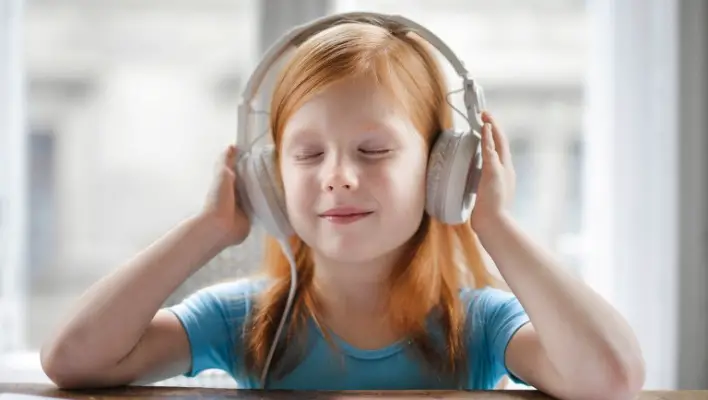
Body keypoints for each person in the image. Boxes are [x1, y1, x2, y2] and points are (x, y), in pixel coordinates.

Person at [40, 14, 645, 399]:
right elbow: (71, 360)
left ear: (445, 170)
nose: (338, 177)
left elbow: (611, 378)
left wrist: (495, 223)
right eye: (306, 156)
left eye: (373, 149)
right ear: (268, 179)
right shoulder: (248, 321)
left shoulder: (479, 325)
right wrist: (208, 230)